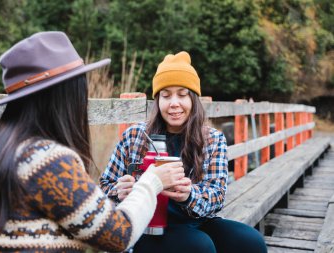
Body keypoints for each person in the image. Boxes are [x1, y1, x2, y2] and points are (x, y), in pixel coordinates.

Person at [0, 32, 186, 253]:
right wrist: (151, 181)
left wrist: (122, 192)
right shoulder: (46, 159)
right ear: (66, 97)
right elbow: (119, 236)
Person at [100, 51, 268, 253]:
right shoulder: (135, 136)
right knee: (200, 247)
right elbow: (104, 187)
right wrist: (119, 192)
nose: (174, 103)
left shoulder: (213, 139)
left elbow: (217, 196)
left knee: (251, 242)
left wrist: (189, 194)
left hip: (195, 220)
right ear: (157, 100)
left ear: (193, 100)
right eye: (166, 95)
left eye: (182, 94)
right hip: (148, 227)